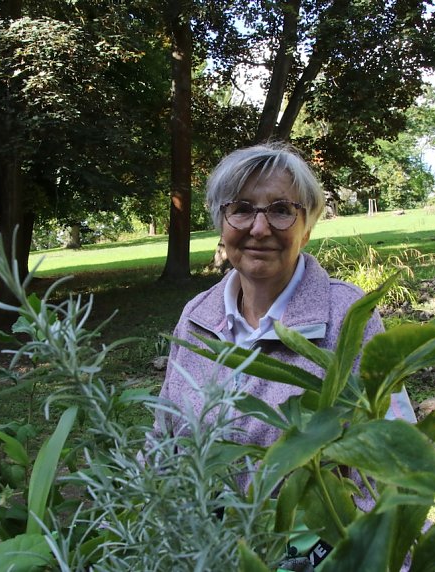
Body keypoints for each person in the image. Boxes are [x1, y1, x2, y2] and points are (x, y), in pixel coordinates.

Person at [156, 141, 416, 467]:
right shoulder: (197, 317)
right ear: (222, 225)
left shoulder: (348, 317)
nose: (260, 228)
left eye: (281, 210)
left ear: (306, 230)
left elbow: (399, 455)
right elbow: (162, 442)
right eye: (242, 209)